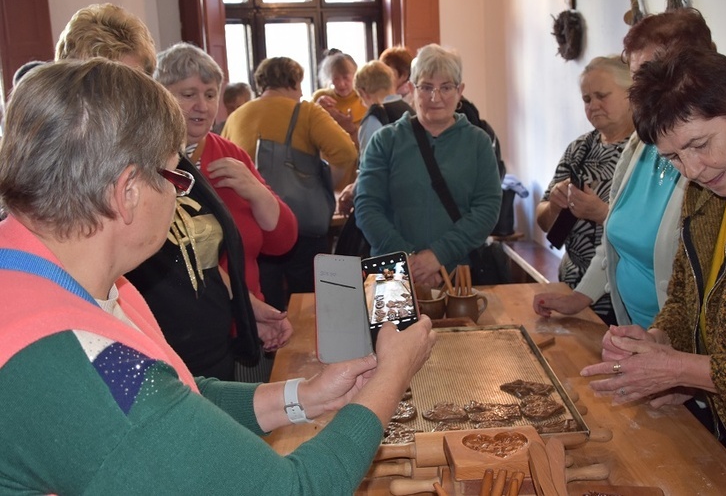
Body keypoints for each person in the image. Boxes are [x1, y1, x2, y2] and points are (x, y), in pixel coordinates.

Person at [0, 58, 437, 493]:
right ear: (127, 191)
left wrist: (305, 396)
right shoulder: (81, 357)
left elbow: (178, 401)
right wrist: (391, 375)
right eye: (174, 173)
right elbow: (294, 489)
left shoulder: (55, 278)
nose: (178, 191)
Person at [55, 4, 288, 380]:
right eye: (120, 86)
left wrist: (244, 303)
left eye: (141, 82)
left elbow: (193, 251)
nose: (137, 98)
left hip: (209, 356)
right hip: (154, 368)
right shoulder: (75, 183)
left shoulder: (161, 154)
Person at [581, 47, 726, 469]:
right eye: (673, 158)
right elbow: (684, 297)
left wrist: (681, 371)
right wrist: (659, 340)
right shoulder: (709, 191)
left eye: (700, 143)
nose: (692, 169)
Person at [533, 8, 714, 329]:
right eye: (636, 78)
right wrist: (578, 298)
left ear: (695, 71)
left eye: (651, 75)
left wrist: (663, 344)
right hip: (636, 330)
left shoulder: (711, 160)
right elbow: (613, 240)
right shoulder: (639, 146)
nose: (639, 92)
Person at [355, 43, 502, 287]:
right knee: (394, 327)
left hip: (458, 276)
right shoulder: (385, 140)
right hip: (391, 274)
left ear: (460, 91)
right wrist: (409, 262)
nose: (436, 97)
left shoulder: (478, 143)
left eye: (445, 87)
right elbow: (367, 206)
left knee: (460, 326)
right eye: (426, 87)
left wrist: (437, 256)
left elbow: (487, 209)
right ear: (411, 89)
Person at [222, 57, 358, 310]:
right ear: (294, 82)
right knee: (310, 305)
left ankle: (272, 350)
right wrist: (325, 184)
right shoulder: (305, 112)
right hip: (301, 223)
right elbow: (346, 152)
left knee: (267, 306)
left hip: (252, 227)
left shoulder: (236, 117)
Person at [536, 56, 634, 325]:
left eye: (602, 95)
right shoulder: (579, 148)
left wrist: (602, 213)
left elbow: (652, 230)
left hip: (622, 293)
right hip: (572, 283)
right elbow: (544, 221)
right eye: (587, 99)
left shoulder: (644, 152)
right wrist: (555, 204)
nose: (594, 106)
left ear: (632, 94)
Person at [337, 59, 415, 216]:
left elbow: (370, 168)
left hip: (385, 204)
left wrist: (352, 191)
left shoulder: (375, 117)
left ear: (364, 92)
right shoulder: (410, 111)